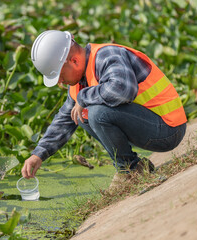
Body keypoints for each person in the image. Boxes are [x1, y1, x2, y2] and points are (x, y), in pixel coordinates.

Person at [21, 30, 187, 189]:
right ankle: (134, 167)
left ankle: (127, 172)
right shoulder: (79, 82)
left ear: (74, 61)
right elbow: (64, 120)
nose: (60, 83)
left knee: (96, 113)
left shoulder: (107, 55)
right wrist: (38, 154)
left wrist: (84, 97)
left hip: (168, 129)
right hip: (148, 128)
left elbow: (123, 89)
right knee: (81, 114)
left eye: (60, 76)